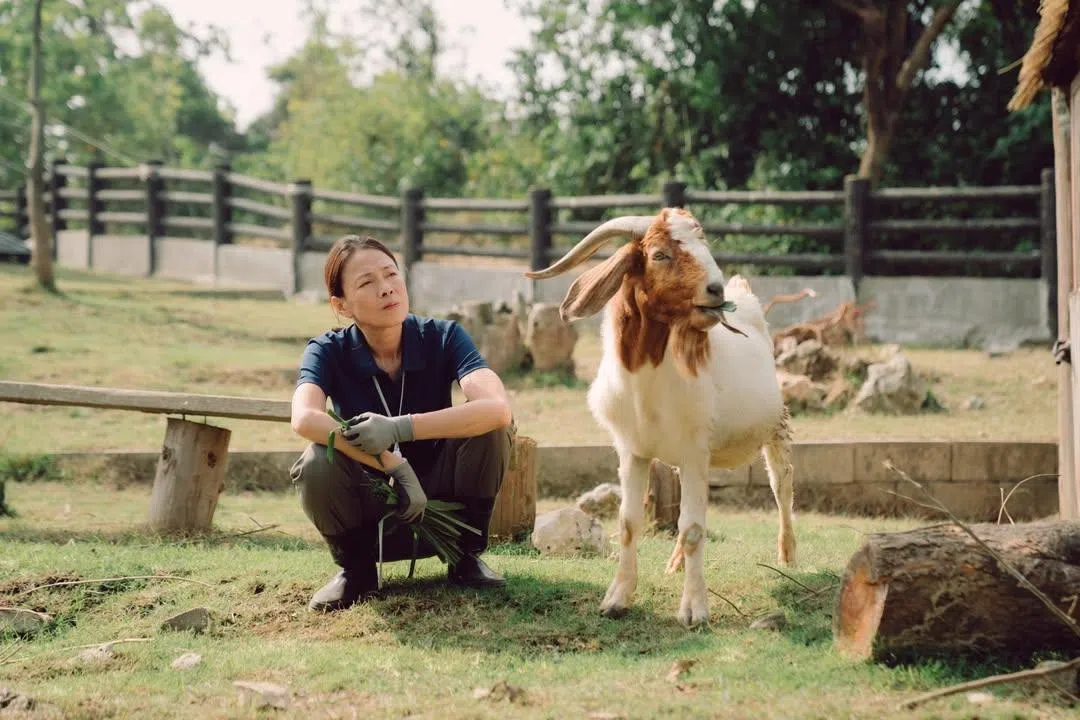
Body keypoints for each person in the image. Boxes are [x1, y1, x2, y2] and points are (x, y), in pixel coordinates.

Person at [289, 234, 515, 612]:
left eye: (391, 274)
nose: (386, 288)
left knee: (490, 429)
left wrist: (399, 428)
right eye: (367, 282)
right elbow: (304, 418)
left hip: (443, 507)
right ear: (341, 305)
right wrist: (393, 464)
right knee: (316, 462)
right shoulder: (327, 350)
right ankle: (356, 571)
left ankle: (465, 557)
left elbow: (497, 409)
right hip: (371, 509)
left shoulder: (444, 336)